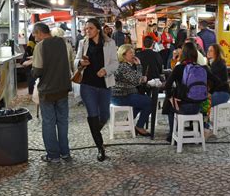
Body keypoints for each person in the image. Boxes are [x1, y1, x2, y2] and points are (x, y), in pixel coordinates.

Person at [75, 18, 118, 162]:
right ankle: (100, 147)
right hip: (87, 85)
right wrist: (80, 62)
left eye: (91, 28)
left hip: (104, 85)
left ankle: (95, 132)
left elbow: (115, 63)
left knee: (104, 115)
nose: (88, 31)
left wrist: (106, 70)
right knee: (93, 115)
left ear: (98, 29)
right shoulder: (83, 43)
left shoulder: (109, 43)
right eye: (86, 29)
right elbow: (75, 61)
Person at [31, 22, 72, 163]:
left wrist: (31, 69)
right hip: (63, 88)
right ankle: (65, 153)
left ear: (39, 32)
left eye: (34, 33)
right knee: (62, 122)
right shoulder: (62, 42)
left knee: (48, 123)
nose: (33, 36)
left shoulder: (40, 46)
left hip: (48, 90)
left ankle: (53, 155)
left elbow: (37, 70)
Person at [164, 42, 219, 141]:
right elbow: (217, 82)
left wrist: (171, 98)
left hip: (182, 107)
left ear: (183, 54)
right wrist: (209, 92)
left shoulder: (179, 68)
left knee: (169, 105)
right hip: (198, 107)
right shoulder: (203, 68)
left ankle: (172, 134)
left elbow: (167, 86)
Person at [111, 44, 152, 136]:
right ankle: (139, 126)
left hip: (123, 95)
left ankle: (128, 122)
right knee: (150, 102)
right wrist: (139, 66)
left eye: (134, 52)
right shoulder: (123, 66)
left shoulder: (124, 65)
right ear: (123, 55)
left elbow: (134, 79)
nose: (133, 55)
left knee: (142, 100)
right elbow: (136, 81)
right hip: (121, 96)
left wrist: (140, 78)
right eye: (131, 53)